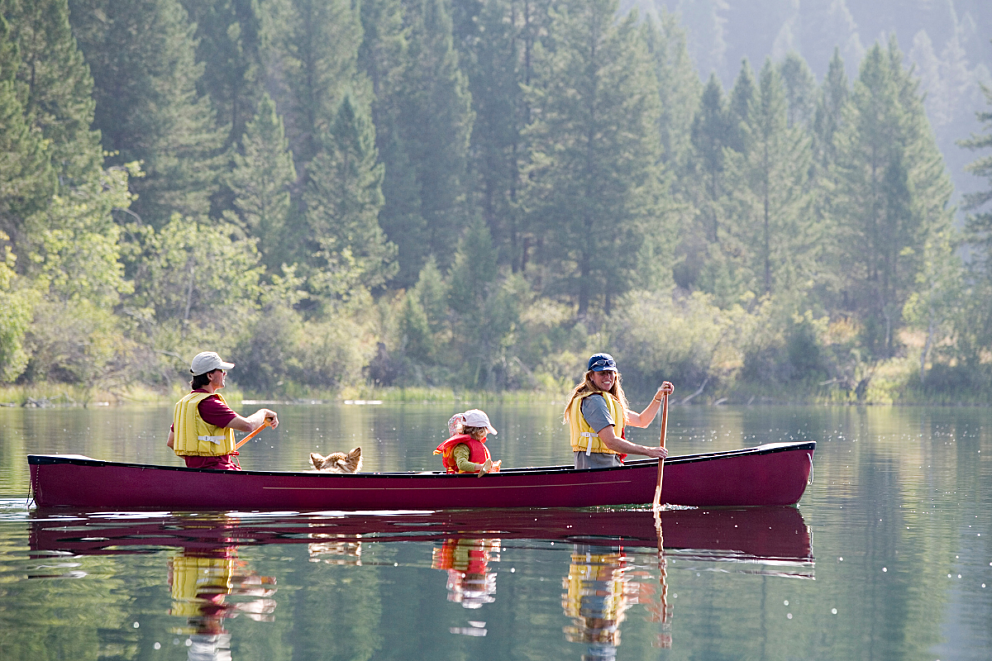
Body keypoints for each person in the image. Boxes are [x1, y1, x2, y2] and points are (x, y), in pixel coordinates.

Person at [167, 351, 280, 470]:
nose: (224, 373)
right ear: (210, 376)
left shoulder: (186, 404)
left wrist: (197, 460)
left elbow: (171, 442)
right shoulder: (210, 404)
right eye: (221, 370)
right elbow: (248, 426)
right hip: (219, 470)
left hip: (198, 471)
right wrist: (264, 413)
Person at [564, 353, 674, 469]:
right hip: (597, 465)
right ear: (591, 376)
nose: (607, 377)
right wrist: (648, 451)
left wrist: (659, 396)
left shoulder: (605, 401)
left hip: (609, 463)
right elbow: (611, 441)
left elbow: (642, 421)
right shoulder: (593, 401)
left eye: (610, 373)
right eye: (602, 373)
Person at [434, 409, 501, 476]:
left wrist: (492, 467)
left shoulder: (475, 444)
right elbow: (462, 464)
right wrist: (481, 467)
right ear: (480, 432)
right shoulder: (462, 447)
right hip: (462, 480)